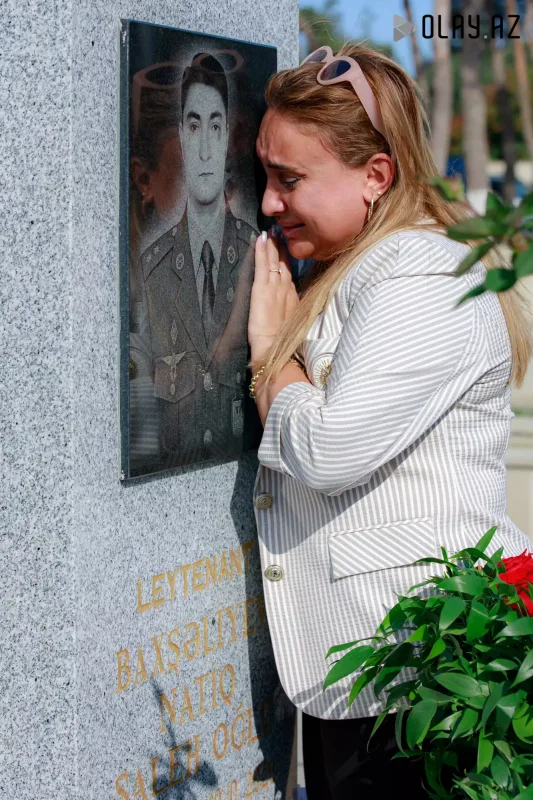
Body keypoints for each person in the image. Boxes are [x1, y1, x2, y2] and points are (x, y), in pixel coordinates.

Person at [247, 44, 533, 798]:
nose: (268, 203)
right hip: (380, 669)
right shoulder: (361, 263)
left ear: (376, 174)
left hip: (423, 676)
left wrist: (271, 358)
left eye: (289, 180)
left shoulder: (421, 273)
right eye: (264, 176)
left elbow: (328, 449)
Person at [131, 53, 257, 473]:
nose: (205, 149)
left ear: (227, 138)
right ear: (183, 137)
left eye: (216, 127)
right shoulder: (154, 267)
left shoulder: (258, 253)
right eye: (194, 126)